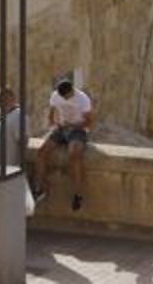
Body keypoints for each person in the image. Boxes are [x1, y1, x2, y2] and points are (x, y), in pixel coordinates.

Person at [33, 79, 94, 212]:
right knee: (41, 152)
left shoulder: (83, 99)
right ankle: (39, 188)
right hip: (62, 128)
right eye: (63, 97)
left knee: (74, 155)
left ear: (72, 90)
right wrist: (54, 124)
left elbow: (89, 122)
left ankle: (77, 194)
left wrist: (72, 126)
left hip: (78, 129)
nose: (65, 99)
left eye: (67, 96)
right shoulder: (55, 96)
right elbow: (51, 114)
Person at [0, 87, 24, 168]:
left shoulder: (19, 115)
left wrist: (18, 166)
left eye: (5, 97)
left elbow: (23, 141)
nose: (2, 99)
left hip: (7, 166)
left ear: (13, 98)